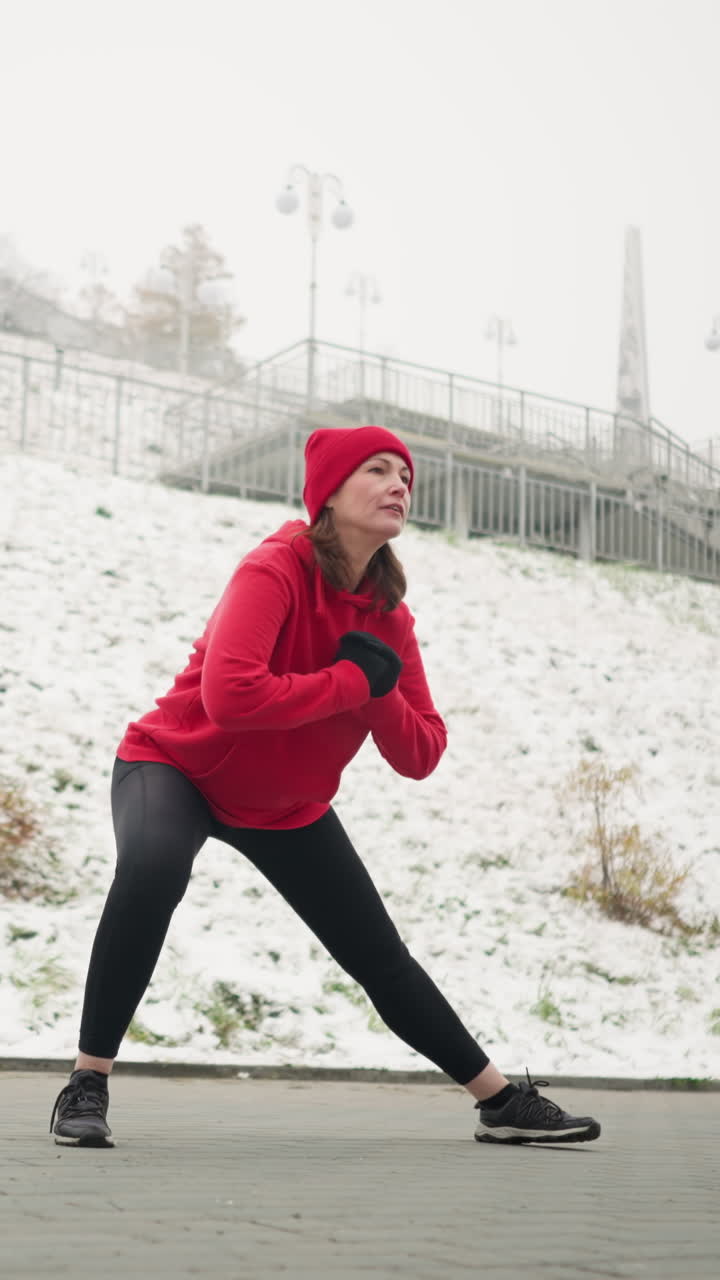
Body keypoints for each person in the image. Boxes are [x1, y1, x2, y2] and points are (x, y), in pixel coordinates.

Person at [50, 424, 601, 1149]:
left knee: (377, 954)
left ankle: (498, 1101)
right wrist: (349, 681)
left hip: (285, 806)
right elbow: (232, 698)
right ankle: (87, 1083)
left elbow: (422, 752)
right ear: (329, 495)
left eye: (406, 475)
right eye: (378, 470)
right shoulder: (273, 569)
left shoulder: (390, 619)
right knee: (152, 869)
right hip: (176, 767)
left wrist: (374, 688)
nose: (400, 484)